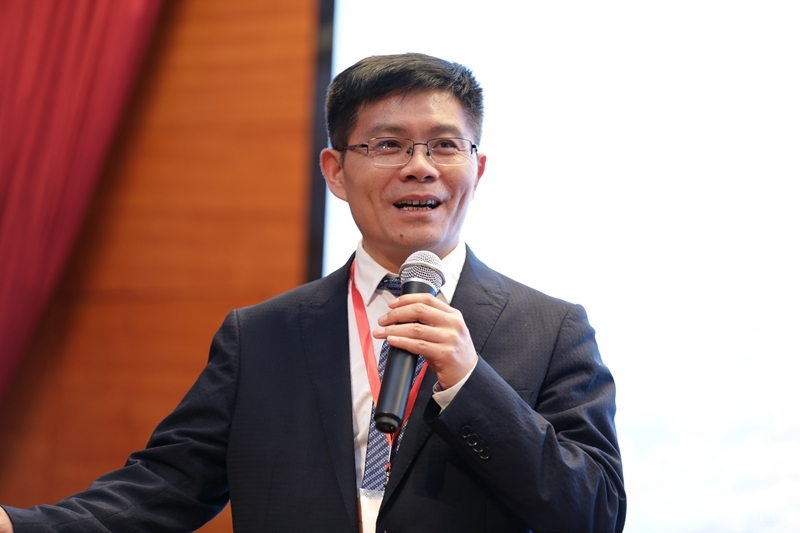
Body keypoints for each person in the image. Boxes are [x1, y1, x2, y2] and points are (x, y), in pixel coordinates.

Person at [0, 53, 625, 533]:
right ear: (335, 172)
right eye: (388, 145)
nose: (420, 166)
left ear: (476, 169)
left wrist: (469, 382)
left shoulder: (552, 330)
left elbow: (594, 512)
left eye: (444, 144)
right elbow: (163, 488)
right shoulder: (260, 337)